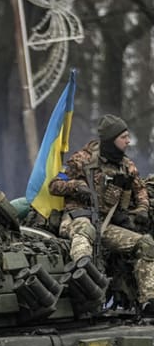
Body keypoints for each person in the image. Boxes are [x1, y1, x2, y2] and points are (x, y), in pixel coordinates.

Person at [48, 114, 154, 314]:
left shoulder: (126, 165)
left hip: (105, 224)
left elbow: (140, 189)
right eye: (124, 137)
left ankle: (149, 300)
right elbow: (54, 185)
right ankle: (85, 277)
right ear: (111, 139)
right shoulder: (81, 160)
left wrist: (142, 209)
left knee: (145, 244)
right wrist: (77, 186)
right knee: (85, 230)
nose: (128, 141)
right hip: (76, 219)